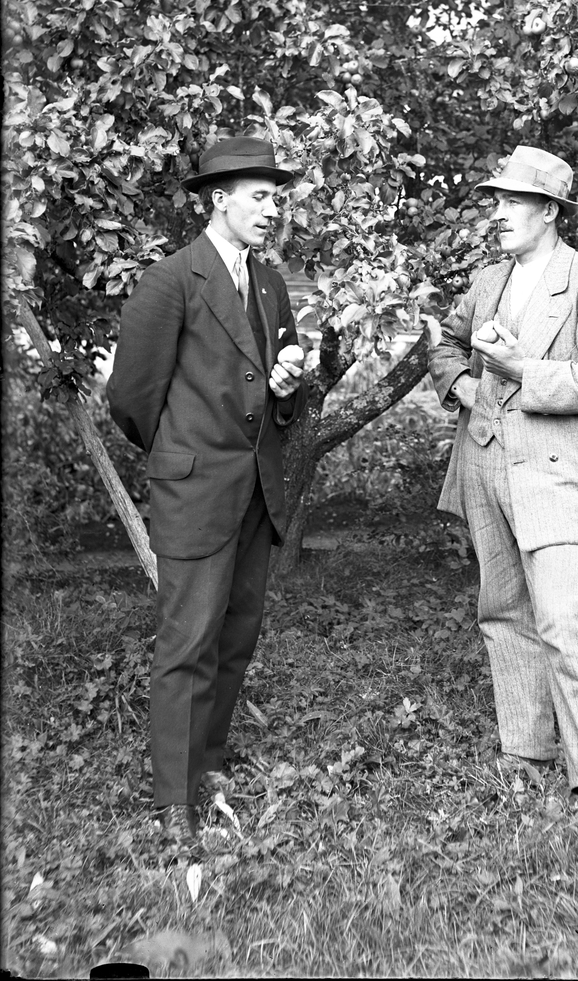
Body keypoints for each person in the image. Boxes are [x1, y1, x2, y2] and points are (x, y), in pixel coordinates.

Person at [428, 145, 578, 835]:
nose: (498, 213)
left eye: (512, 201)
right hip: (487, 466)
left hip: (557, 475)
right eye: (496, 201)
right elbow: (445, 344)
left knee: (561, 623)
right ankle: (525, 752)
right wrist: (465, 389)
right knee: (503, 612)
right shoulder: (489, 280)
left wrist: (521, 368)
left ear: (548, 211)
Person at [107, 135, 308, 857]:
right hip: (196, 493)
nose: (272, 210)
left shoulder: (270, 283)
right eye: (260, 197)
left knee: (236, 635)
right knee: (187, 642)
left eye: (276, 198)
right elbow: (132, 398)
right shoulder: (171, 280)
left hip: (257, 493)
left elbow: (279, 393)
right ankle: (174, 800)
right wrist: (182, 458)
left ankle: (208, 765)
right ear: (218, 200)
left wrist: (289, 387)